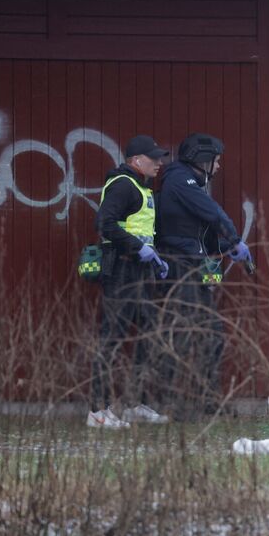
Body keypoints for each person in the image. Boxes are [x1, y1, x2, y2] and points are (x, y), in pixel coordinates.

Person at [154, 132, 253, 418]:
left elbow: (201, 235)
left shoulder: (190, 184)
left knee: (211, 334)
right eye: (216, 160)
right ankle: (174, 404)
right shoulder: (179, 180)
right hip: (179, 266)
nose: (218, 166)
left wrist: (226, 248)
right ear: (202, 159)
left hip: (193, 265)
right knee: (183, 335)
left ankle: (209, 400)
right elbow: (213, 213)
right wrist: (235, 239)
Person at [89, 135, 171, 428]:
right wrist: (138, 248)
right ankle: (98, 412)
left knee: (148, 336)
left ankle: (135, 403)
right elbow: (104, 223)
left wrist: (155, 259)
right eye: (153, 158)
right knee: (112, 339)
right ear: (136, 160)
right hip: (122, 270)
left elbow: (140, 231)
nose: (159, 163)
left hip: (139, 271)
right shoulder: (123, 185)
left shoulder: (141, 188)